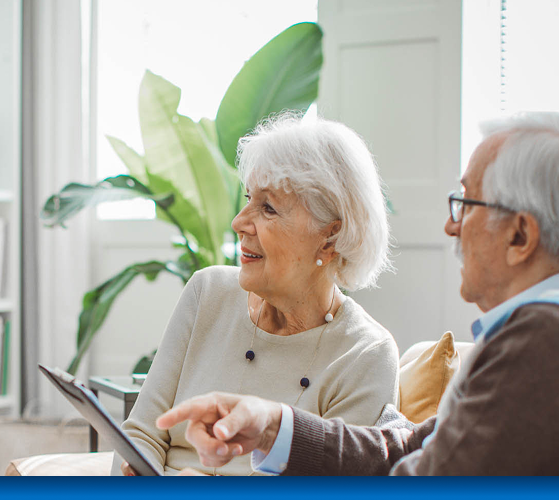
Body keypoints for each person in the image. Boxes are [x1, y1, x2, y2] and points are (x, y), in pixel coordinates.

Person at [156, 111, 559, 475]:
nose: (451, 229)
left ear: (519, 236)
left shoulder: (548, 344)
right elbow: (407, 447)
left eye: (465, 204)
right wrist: (274, 425)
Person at [116, 114, 399, 475]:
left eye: (268, 208)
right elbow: (143, 433)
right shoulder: (208, 293)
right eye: (249, 198)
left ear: (329, 237)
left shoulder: (365, 355)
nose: (238, 222)